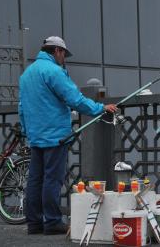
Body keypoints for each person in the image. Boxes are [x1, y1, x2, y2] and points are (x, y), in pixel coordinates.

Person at [19, 36, 117, 235]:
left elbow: (22, 108)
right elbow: (75, 99)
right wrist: (100, 108)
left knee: (35, 180)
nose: (65, 59)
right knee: (52, 179)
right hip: (56, 135)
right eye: (64, 54)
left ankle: (34, 223)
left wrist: (26, 131)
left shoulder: (26, 74)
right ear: (57, 51)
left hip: (36, 135)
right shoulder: (54, 71)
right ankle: (53, 221)